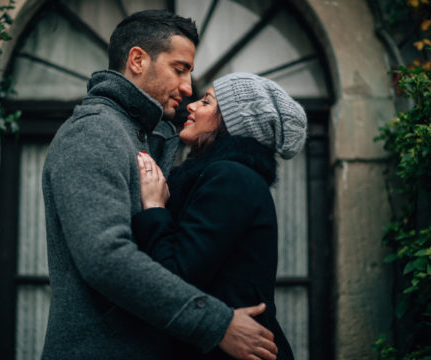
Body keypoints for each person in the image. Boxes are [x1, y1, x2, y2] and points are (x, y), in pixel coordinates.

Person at [41, 11, 278, 360]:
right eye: (179, 69)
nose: (187, 87)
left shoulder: (152, 137)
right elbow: (107, 258)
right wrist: (215, 323)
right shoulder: (93, 132)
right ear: (137, 60)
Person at [132, 72, 308, 360]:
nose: (192, 105)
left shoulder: (229, 178)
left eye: (207, 101)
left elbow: (174, 277)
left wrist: (153, 207)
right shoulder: (223, 176)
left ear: (231, 122)